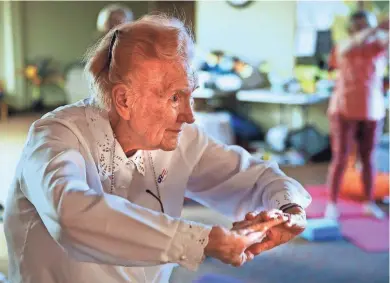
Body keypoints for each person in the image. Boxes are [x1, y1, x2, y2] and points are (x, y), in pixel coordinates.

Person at [4, 15, 311, 283]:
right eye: (175, 98)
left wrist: (288, 209)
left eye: (190, 96)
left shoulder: (182, 138)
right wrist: (201, 240)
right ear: (125, 100)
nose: (189, 115)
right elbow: (71, 215)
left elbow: (253, 178)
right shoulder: (56, 136)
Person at [326, 11, 389, 219]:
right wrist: (375, 28)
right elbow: (350, 45)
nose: (363, 29)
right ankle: (332, 204)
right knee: (341, 157)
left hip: (372, 109)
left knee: (369, 158)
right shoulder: (344, 45)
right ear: (351, 28)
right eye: (359, 26)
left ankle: (368, 202)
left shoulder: (378, 47)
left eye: (366, 25)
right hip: (343, 108)